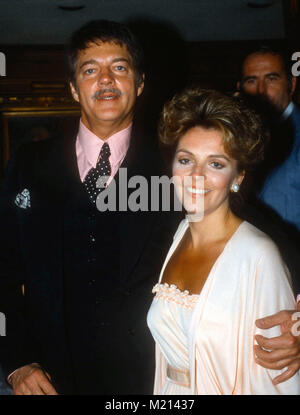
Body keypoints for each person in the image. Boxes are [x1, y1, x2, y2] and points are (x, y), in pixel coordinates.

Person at [0, 22, 299, 395]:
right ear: (74, 88)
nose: (106, 80)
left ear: (140, 84)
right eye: (90, 69)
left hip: (145, 384)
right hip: (49, 380)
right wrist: (16, 360)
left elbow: (267, 242)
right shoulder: (31, 162)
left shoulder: (179, 167)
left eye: (120, 68)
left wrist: (298, 325)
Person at [147, 87, 300, 394]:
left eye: (215, 164)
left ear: (238, 177)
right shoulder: (178, 236)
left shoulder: (258, 255)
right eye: (186, 160)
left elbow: (278, 381)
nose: (196, 176)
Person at [237, 46, 300, 232]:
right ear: (239, 88)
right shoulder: (231, 137)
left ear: (291, 84)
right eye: (251, 80)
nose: (261, 90)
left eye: (272, 79)